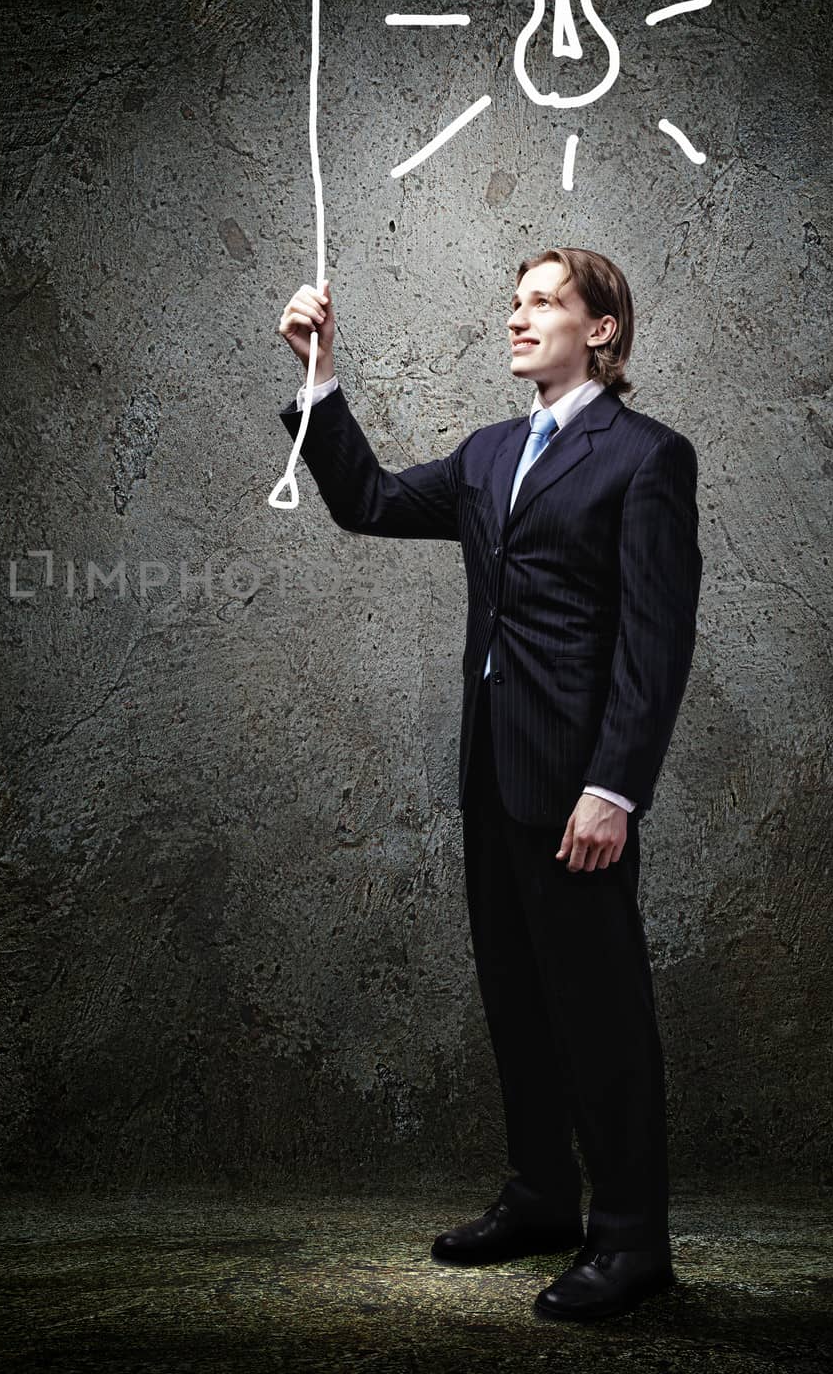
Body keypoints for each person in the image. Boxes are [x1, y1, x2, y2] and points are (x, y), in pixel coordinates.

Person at [275, 248, 702, 1323]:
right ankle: (542, 1197)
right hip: (490, 777)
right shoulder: (488, 454)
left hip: (576, 790)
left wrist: (615, 788)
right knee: (518, 1005)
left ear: (600, 330)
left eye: (544, 303)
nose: (517, 319)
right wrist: (321, 377)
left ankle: (631, 1240)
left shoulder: (647, 458)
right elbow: (365, 501)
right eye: (513, 302)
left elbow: (655, 643)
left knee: (600, 1018)